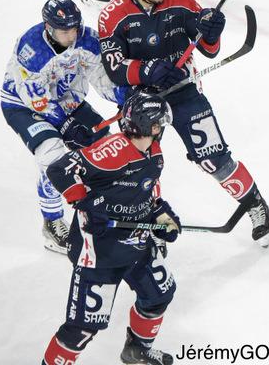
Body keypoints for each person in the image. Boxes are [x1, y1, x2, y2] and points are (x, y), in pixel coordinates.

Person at [97, 0, 269, 246]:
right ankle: (147, 225)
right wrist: (149, 70)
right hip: (141, 101)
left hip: (184, 91)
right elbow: (115, 69)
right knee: (139, 164)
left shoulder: (181, 3)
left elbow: (208, 49)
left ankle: (258, 207)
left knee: (214, 158)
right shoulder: (113, 15)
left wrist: (211, 32)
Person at [41, 91, 179, 365]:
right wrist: (85, 202)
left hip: (137, 242)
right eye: (156, 124)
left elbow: (148, 191)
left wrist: (162, 216)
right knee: (82, 329)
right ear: (144, 125)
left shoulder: (154, 151)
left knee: (159, 294)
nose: (160, 129)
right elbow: (59, 170)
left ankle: (136, 349)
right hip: (99, 251)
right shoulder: (112, 150)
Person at [0, 0, 126, 253]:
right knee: (55, 159)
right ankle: (53, 221)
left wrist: (127, 97)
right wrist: (67, 125)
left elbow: (101, 77)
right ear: (49, 27)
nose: (71, 35)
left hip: (67, 101)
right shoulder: (31, 48)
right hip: (24, 106)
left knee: (105, 147)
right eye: (64, 30)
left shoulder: (88, 40)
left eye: (74, 28)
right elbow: (37, 100)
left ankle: (108, 209)